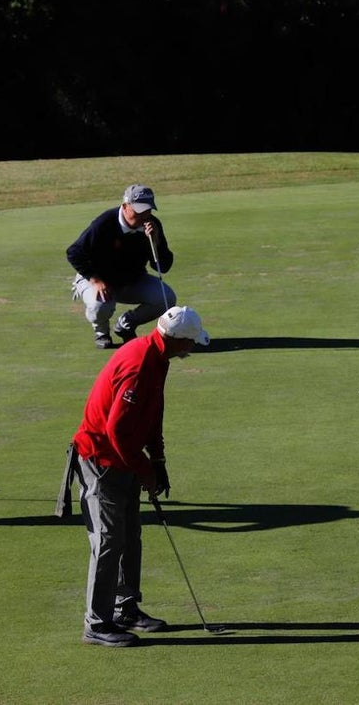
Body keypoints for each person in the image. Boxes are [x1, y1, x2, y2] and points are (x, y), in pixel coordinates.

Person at [71, 305, 209, 647]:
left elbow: (153, 411)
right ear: (177, 341)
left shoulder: (158, 358)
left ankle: (126, 609)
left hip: (126, 458)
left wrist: (157, 458)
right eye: (191, 343)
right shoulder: (139, 364)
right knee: (108, 541)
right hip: (101, 459)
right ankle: (97, 624)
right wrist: (145, 469)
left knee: (130, 535)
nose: (192, 349)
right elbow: (116, 430)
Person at [67, 184, 177, 349]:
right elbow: (74, 252)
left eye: (147, 211)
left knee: (166, 298)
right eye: (139, 211)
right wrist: (95, 280)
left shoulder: (152, 226)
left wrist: (156, 242)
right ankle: (101, 332)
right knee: (100, 304)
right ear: (125, 206)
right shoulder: (104, 223)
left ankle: (125, 325)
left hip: (131, 280)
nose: (144, 216)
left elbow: (163, 267)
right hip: (97, 279)